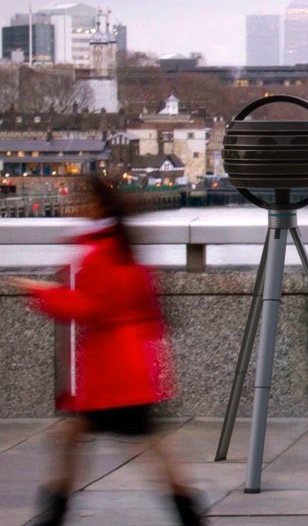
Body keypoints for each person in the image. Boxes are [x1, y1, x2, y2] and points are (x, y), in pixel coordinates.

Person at [9, 177, 203, 526]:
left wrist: (40, 292)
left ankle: (55, 514)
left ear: (98, 207)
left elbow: (90, 308)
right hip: (130, 365)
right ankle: (186, 508)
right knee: (131, 440)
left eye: (83, 200)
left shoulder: (100, 255)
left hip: (113, 372)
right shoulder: (124, 250)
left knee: (126, 441)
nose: (77, 206)